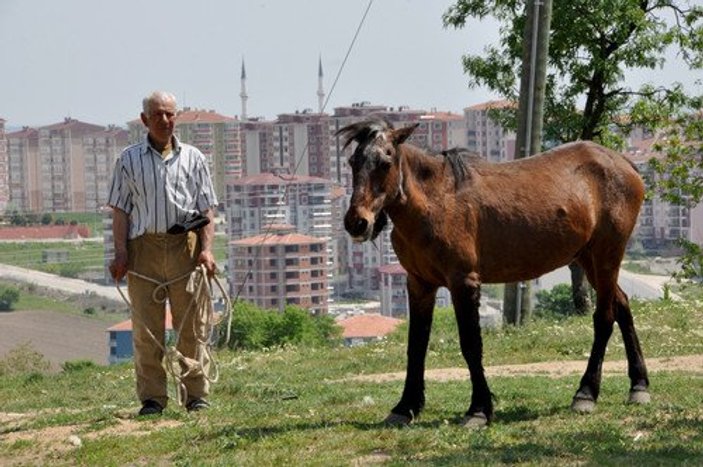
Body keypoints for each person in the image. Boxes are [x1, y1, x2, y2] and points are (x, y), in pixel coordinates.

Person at [107, 91, 219, 416]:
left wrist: (206, 250)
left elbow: (206, 209)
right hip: (143, 250)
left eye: (169, 114)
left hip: (185, 248)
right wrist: (120, 253)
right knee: (146, 329)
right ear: (145, 120)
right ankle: (152, 399)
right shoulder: (128, 159)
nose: (164, 120)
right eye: (157, 114)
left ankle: (195, 395)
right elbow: (120, 211)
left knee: (191, 327)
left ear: (176, 117)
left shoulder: (194, 158)